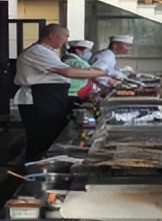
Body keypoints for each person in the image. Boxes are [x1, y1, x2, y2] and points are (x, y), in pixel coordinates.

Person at [15, 25, 110, 161]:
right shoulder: (37, 51)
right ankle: (34, 167)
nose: (66, 40)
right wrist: (100, 73)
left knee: (51, 134)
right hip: (40, 97)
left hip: (50, 97)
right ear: (52, 35)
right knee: (41, 136)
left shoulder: (47, 51)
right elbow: (67, 72)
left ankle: (42, 163)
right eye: (65, 36)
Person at [62, 39, 95, 103]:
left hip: (66, 93)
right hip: (75, 94)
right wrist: (103, 73)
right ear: (78, 51)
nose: (90, 53)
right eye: (88, 51)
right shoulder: (79, 63)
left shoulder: (64, 60)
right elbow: (94, 74)